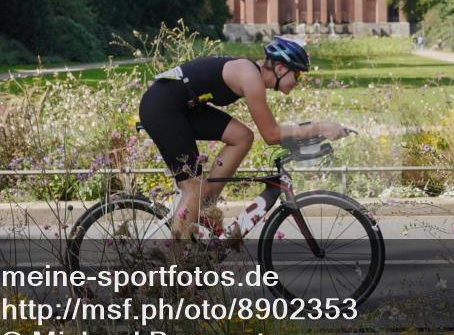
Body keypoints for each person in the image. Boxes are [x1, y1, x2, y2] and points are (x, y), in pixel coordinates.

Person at [139, 37, 349, 239]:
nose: (298, 81)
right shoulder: (250, 77)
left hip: (182, 106)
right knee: (194, 189)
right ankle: (175, 260)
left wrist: (309, 132)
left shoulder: (250, 73)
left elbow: (271, 134)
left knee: (242, 136)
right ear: (280, 68)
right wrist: (320, 127)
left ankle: (205, 206)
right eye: (298, 74)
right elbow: (271, 135)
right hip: (161, 108)